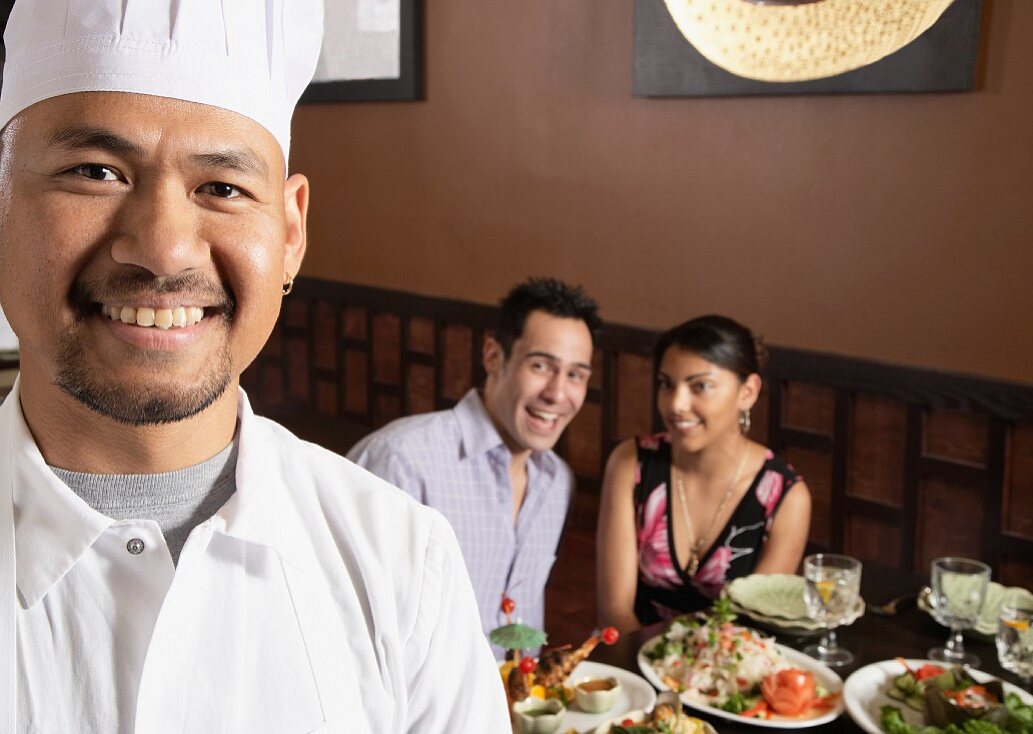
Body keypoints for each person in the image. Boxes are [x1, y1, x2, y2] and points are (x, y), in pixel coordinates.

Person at [0, 1, 507, 731]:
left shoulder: (401, 564)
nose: (165, 248)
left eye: (223, 188)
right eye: (96, 171)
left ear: (292, 233)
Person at [348, 278, 600, 655]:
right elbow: (345, 620)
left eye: (576, 374)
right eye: (541, 366)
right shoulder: (402, 461)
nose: (558, 394)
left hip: (518, 705)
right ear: (494, 357)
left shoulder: (557, 482)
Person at [596, 315, 811, 632]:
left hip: (730, 668)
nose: (676, 404)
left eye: (701, 386)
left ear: (747, 392)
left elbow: (755, 627)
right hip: (632, 660)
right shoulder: (632, 463)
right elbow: (614, 612)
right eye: (666, 384)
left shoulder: (784, 496)